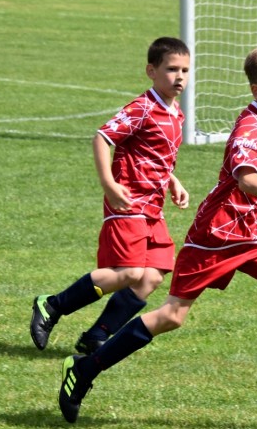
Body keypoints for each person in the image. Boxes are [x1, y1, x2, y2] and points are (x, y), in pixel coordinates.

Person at [56, 47, 257, 423]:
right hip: (216, 235)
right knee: (172, 315)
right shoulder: (253, 126)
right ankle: (84, 369)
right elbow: (246, 177)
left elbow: (251, 179)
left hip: (246, 231)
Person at [31, 37, 191, 355]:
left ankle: (96, 336)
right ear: (151, 71)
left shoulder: (175, 113)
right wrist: (108, 183)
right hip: (128, 200)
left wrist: (173, 181)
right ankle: (52, 305)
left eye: (185, 70)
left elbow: (155, 154)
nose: (180, 77)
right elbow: (103, 137)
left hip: (152, 207)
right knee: (129, 272)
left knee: (152, 276)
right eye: (172, 69)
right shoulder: (142, 108)